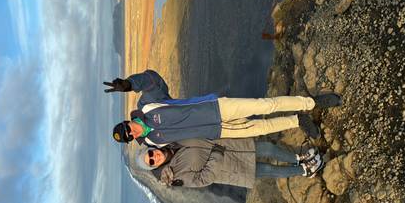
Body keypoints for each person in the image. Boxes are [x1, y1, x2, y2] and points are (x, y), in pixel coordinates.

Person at [105, 70, 342, 147]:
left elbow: (153, 80)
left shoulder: (146, 106)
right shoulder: (152, 142)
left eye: (129, 129)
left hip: (216, 108)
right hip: (217, 132)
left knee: (265, 105)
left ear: (128, 121)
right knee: (261, 128)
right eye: (130, 137)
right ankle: (297, 121)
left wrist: (129, 84)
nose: (133, 133)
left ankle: (311, 103)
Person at [134, 138, 324, 189]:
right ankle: (304, 170)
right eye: (151, 162)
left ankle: (298, 158)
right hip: (228, 168)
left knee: (267, 147)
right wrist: (216, 155)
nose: (154, 157)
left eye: (150, 154)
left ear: (151, 149)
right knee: (268, 169)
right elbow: (203, 180)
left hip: (230, 146)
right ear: (153, 167)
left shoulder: (172, 142)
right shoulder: (174, 177)